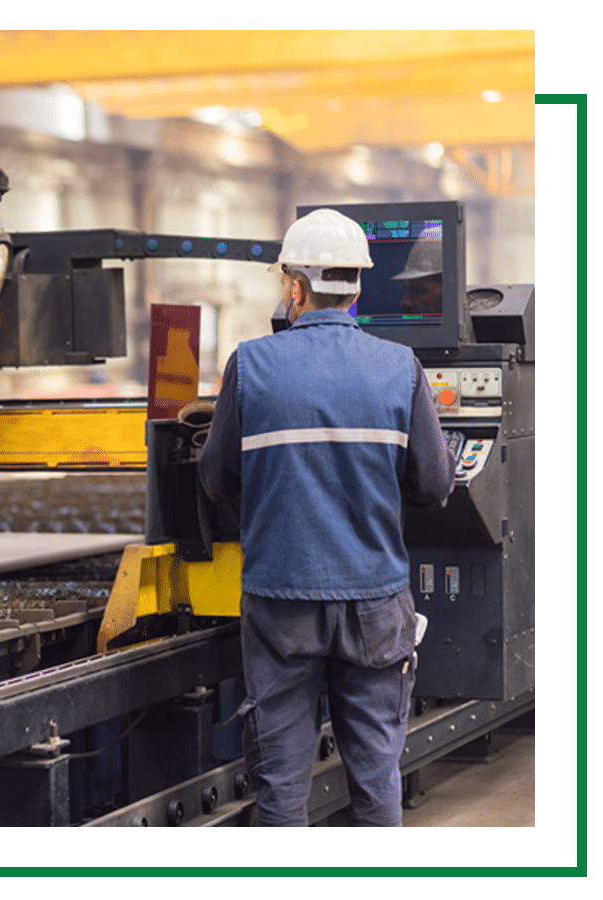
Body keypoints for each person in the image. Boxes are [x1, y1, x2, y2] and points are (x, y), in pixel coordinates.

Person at [198, 208, 455, 827]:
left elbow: (214, 480)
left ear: (295, 286)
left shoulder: (251, 366)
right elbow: (435, 483)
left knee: (282, 785)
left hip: (279, 600)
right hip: (373, 604)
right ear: (358, 287)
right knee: (375, 778)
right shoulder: (399, 368)